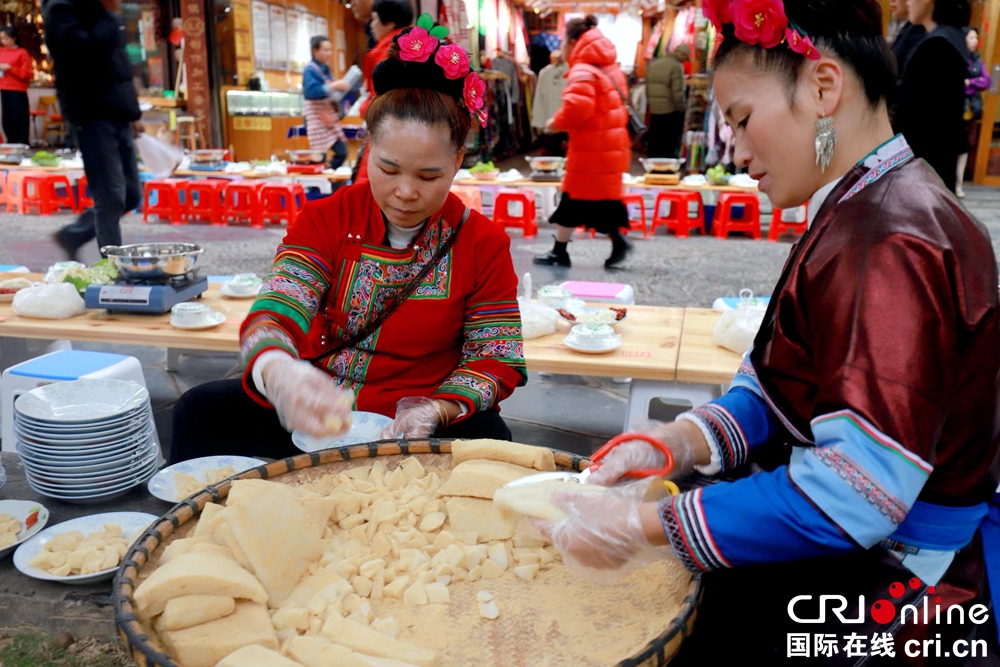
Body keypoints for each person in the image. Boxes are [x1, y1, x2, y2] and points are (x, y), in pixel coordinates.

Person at [533, 0, 1000, 664]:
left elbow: (851, 492)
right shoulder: (866, 206)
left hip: (898, 590)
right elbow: (777, 386)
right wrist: (675, 443)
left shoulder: (892, 239)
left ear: (823, 86)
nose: (741, 152)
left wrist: (640, 525)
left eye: (744, 121)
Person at [169, 20, 526, 464]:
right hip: (322, 411)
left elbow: (495, 355)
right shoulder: (327, 219)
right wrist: (279, 371)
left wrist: (438, 407)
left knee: (492, 439)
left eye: (429, 175)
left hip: (421, 417)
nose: (406, 192)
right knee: (200, 412)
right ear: (367, 146)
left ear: (457, 161)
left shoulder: (481, 241)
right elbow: (280, 306)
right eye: (389, 169)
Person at [44, 0, 142, 260]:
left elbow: (119, 65)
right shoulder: (60, 10)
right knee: (110, 198)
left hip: (119, 114)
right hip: (91, 116)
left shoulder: (103, 14)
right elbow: (81, 53)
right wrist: (108, 17)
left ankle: (73, 234)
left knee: (131, 194)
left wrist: (133, 111)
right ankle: (114, 273)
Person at [533, 16, 632, 269]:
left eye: (564, 41)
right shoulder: (610, 68)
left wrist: (554, 123)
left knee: (574, 198)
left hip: (593, 148)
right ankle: (609, 243)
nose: (562, 48)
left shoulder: (583, 70)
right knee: (595, 200)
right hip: (608, 146)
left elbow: (578, 107)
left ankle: (561, 251)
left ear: (575, 41)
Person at [895, 0, 970, 192]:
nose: (907, 1)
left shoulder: (938, 45)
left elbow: (917, 118)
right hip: (934, 163)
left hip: (924, 166)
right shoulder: (948, 38)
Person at [352, 0, 414, 187]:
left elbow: (387, 103)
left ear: (388, 22)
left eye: (374, 19)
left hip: (390, 131)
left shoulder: (387, 53)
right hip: (412, 132)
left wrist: (364, 107)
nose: (371, 25)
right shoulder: (410, 46)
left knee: (375, 189)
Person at [303, 36, 352, 170]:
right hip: (316, 119)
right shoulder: (310, 69)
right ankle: (316, 186)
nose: (328, 53)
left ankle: (329, 174)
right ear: (315, 51)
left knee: (342, 151)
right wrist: (334, 86)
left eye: (330, 50)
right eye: (325, 50)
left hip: (328, 119)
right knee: (319, 156)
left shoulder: (326, 69)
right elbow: (311, 92)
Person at [957, 26, 991, 198]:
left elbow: (987, 81)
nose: (976, 41)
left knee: (965, 149)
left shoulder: (977, 60)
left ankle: (959, 184)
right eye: (972, 38)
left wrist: (970, 83)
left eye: (977, 38)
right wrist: (971, 83)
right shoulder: (958, 58)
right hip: (957, 109)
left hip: (971, 111)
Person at [645, 44, 688, 158]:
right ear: (682, 55)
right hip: (670, 111)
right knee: (668, 143)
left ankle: (653, 168)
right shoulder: (676, 67)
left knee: (655, 141)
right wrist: (682, 108)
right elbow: (677, 92)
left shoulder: (654, 65)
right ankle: (666, 170)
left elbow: (647, 88)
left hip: (655, 110)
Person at [532, 49, 568, 157]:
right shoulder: (571, 70)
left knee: (554, 153)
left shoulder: (545, 73)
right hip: (567, 119)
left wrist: (538, 121)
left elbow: (539, 98)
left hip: (551, 120)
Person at [0, 26, 33, 146]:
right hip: (4, 87)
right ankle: (10, 141)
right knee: (6, 118)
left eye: (6, 38)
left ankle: (22, 142)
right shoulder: (1, 51)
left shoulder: (22, 53)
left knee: (18, 117)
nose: (3, 41)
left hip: (18, 89)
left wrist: (11, 68)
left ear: (14, 38)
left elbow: (28, 74)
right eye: (2, 39)